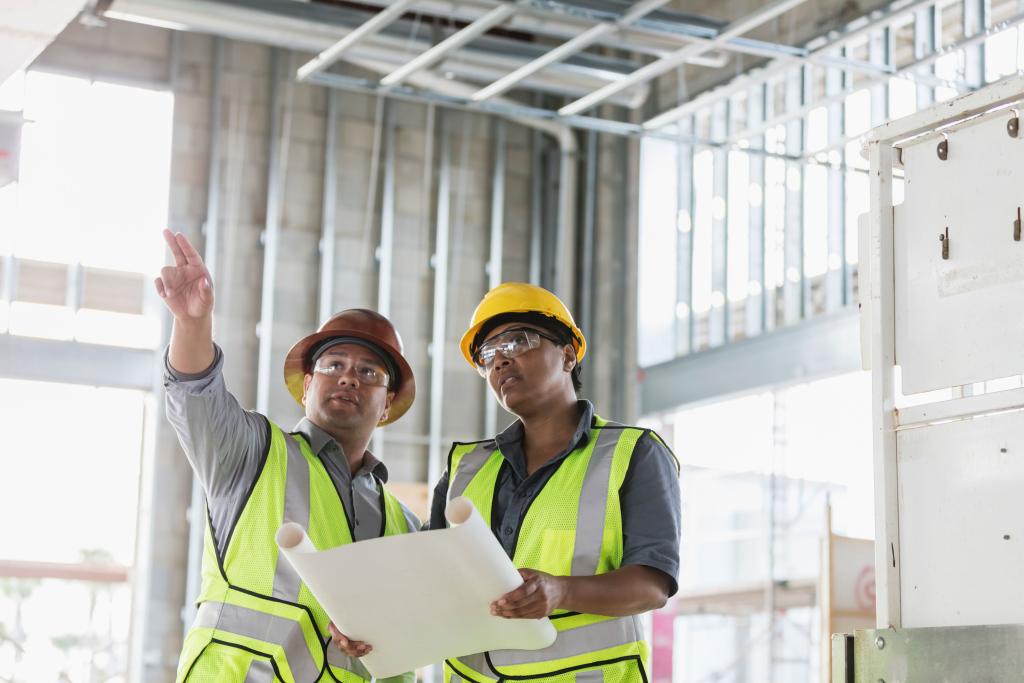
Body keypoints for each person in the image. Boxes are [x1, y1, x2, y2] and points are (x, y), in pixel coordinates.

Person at [155, 229, 418, 683]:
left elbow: (402, 652)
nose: (348, 378)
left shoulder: (404, 526)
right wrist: (192, 323)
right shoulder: (250, 455)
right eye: (333, 365)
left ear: (388, 403)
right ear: (307, 387)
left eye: (368, 372)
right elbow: (195, 393)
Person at [430, 282, 681, 683]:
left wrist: (561, 591)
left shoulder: (633, 453)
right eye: (488, 355)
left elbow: (652, 586)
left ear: (567, 355)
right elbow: (431, 579)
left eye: (516, 342)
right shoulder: (465, 469)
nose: (499, 362)